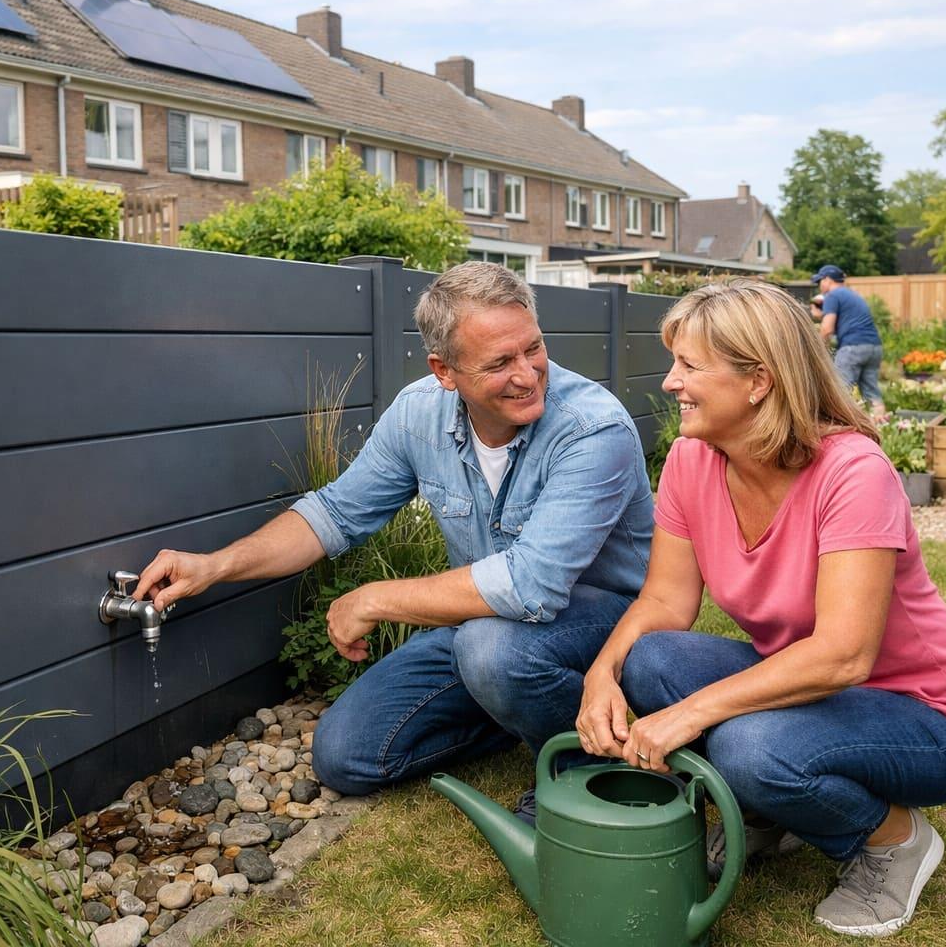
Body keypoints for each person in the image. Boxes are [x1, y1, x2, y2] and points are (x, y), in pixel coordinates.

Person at [135, 261, 653, 816]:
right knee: (347, 755)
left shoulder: (592, 430)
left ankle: (582, 765)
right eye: (500, 362)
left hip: (606, 623)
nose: (528, 374)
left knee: (489, 649)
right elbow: (335, 513)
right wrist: (215, 566)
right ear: (445, 370)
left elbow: (531, 586)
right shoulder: (417, 415)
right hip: (484, 626)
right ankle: (517, 710)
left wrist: (375, 598)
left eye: (533, 348)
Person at [575, 279, 946, 938]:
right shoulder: (689, 460)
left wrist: (688, 716)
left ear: (759, 381)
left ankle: (894, 841)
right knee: (649, 659)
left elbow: (844, 654)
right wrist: (602, 673)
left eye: (689, 366)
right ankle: (772, 811)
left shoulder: (853, 472)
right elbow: (663, 600)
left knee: (751, 746)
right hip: (808, 690)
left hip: (928, 720)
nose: (670, 383)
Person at [813, 264, 885, 416]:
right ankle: (884, 426)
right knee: (871, 393)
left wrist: (816, 350)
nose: (820, 285)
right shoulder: (852, 294)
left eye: (820, 281)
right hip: (873, 347)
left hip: (853, 347)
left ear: (827, 280)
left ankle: (844, 434)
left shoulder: (832, 295)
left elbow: (827, 329)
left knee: (841, 392)